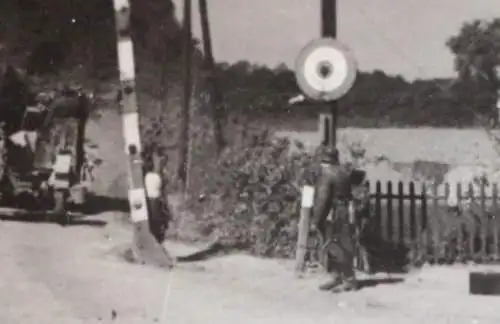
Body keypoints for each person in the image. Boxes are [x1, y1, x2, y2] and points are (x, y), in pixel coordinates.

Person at [310, 146, 357, 292]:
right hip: (344, 212)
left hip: (333, 213)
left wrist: (315, 220)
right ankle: (338, 277)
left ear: (324, 160)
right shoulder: (343, 172)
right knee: (341, 244)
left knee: (334, 246)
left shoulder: (327, 174)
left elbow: (322, 199)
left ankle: (348, 280)